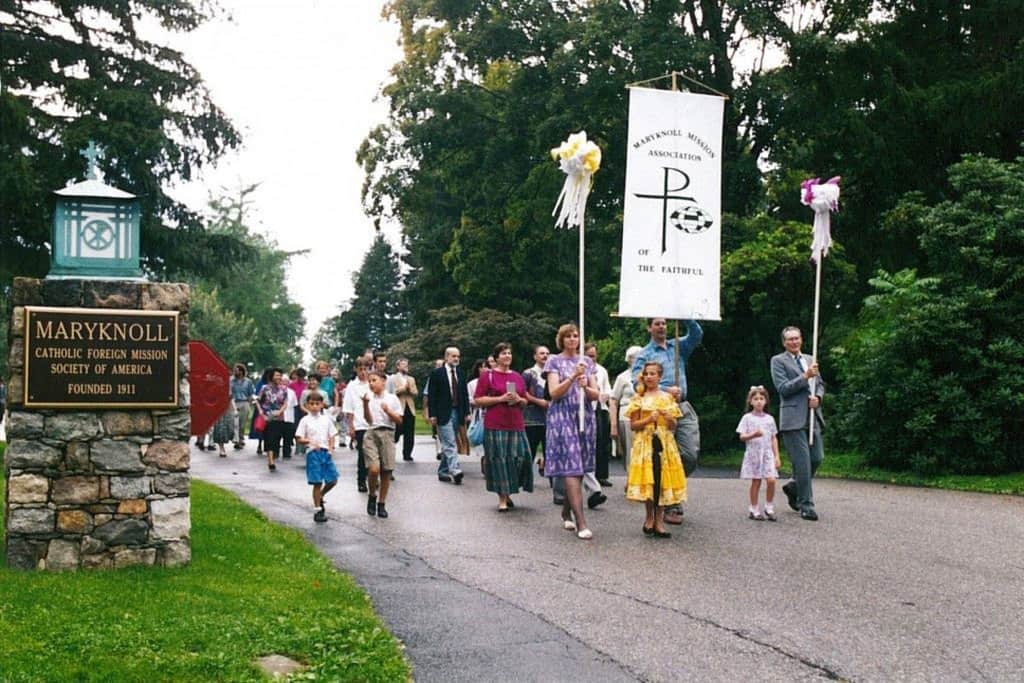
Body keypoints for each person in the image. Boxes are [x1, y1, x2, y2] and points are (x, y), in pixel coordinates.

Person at [632, 318, 703, 525]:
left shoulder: (678, 346)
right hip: (658, 410)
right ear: (649, 327)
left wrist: (684, 316)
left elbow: (697, 335)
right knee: (663, 458)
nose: (661, 326)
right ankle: (670, 502)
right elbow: (637, 383)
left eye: (664, 323)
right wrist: (664, 389)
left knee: (690, 454)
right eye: (656, 323)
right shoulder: (644, 355)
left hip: (682, 407)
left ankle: (671, 488)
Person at [544, 323, 600, 540]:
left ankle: (566, 510)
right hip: (562, 418)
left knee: (578, 468)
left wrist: (585, 385)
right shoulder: (554, 361)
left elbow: (596, 395)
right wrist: (571, 378)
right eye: (568, 336)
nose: (572, 339)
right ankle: (581, 522)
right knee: (571, 468)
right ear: (562, 340)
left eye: (575, 336)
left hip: (583, 418)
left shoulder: (587, 362)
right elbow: (554, 393)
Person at [770, 326, 826, 521]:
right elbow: (783, 388)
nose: (794, 342)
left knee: (816, 458)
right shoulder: (778, 361)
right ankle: (806, 505)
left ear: (801, 339)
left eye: (796, 338)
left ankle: (794, 485)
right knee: (802, 463)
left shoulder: (811, 359)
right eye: (789, 339)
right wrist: (804, 377)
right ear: (784, 343)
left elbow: (820, 384)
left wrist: (818, 397)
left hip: (812, 416)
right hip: (793, 418)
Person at [626, 362, 686, 538]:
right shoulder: (639, 398)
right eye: (647, 374)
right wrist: (647, 420)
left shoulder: (667, 398)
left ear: (660, 377)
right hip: (645, 441)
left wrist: (669, 419)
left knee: (662, 479)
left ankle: (660, 520)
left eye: (653, 374)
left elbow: (674, 424)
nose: (649, 377)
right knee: (650, 479)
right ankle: (649, 517)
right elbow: (633, 425)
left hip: (664, 441)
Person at [474, 342, 534, 512]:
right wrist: (500, 399)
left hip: (516, 423)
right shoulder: (488, 376)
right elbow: (478, 399)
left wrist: (519, 400)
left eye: (509, 353)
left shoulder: (517, 376)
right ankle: (502, 497)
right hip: (495, 423)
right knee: (499, 460)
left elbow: (525, 400)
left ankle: (509, 491)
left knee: (521, 457)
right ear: (496, 357)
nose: (507, 356)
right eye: (503, 353)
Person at [362, 370, 403, 518]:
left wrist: (389, 411)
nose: (371, 384)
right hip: (372, 433)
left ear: (383, 381)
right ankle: (372, 494)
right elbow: (368, 420)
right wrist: (365, 405)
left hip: (387, 433)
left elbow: (399, 420)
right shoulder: (368, 398)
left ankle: (382, 503)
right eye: (370, 381)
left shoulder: (392, 399)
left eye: (374, 380)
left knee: (386, 470)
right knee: (374, 469)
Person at [426, 347, 470, 485]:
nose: (456, 359)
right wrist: (432, 414)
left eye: (458, 356)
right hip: (443, 412)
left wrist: (467, 412)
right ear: (446, 358)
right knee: (450, 442)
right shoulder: (437, 373)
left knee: (448, 443)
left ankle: (443, 471)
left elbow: (464, 395)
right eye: (453, 356)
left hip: (458, 411)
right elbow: (432, 396)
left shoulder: (461, 374)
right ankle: (455, 469)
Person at [737, 385, 781, 521]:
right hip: (754, 454)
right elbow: (742, 436)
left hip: (767, 454)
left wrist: (777, 456)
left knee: (771, 480)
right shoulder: (747, 418)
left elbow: (774, 437)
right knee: (756, 481)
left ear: (766, 401)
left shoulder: (770, 419)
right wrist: (753, 435)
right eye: (755, 399)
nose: (759, 401)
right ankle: (754, 508)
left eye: (761, 398)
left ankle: (769, 507)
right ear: (750, 402)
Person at [294, 392, 339, 523]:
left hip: (325, 453)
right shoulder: (305, 420)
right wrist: (309, 442)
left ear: (322, 405)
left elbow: (332, 435)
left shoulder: (326, 419)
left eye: (317, 404)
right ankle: (318, 509)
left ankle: (321, 496)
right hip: (313, 453)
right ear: (307, 405)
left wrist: (331, 448)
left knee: (333, 480)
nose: (314, 406)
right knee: (317, 482)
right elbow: (299, 437)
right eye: (311, 404)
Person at [610, 346, 643, 473]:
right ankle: (631, 480)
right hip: (627, 417)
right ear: (628, 359)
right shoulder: (622, 377)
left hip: (646, 415)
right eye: (634, 357)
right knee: (630, 450)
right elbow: (613, 400)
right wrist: (613, 425)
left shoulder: (649, 375)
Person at [584, 343, 614, 487]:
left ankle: (602, 475)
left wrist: (605, 395)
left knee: (602, 442)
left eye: (594, 356)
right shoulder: (581, 369)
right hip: (588, 407)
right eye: (589, 356)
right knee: (591, 441)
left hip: (601, 408)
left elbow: (608, 388)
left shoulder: (602, 370)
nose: (592, 358)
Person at [522, 345, 550, 482]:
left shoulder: (553, 373)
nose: (545, 356)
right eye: (542, 353)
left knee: (550, 451)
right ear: (535, 356)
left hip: (550, 419)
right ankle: (525, 479)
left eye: (547, 353)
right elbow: (523, 392)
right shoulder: (528, 373)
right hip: (532, 419)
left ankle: (554, 483)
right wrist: (538, 401)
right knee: (530, 451)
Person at [343, 359, 372, 492]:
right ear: (356, 369)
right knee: (362, 453)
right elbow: (349, 407)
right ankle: (361, 480)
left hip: (373, 422)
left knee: (374, 454)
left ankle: (372, 477)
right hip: (359, 423)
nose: (363, 371)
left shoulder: (372, 383)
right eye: (360, 368)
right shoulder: (352, 386)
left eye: (365, 368)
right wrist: (351, 426)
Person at [255, 368, 288, 471]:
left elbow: (285, 402)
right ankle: (270, 461)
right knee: (269, 438)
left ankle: (273, 455)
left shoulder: (284, 389)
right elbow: (257, 400)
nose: (279, 377)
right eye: (276, 375)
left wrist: (280, 411)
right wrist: (260, 412)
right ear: (271, 376)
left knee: (276, 438)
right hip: (267, 417)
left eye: (280, 375)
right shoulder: (265, 388)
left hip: (279, 417)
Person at [387, 357, 419, 461]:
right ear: (398, 366)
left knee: (409, 433)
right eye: (403, 365)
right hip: (398, 407)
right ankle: (389, 450)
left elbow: (415, 392)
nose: (406, 367)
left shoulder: (411, 379)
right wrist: (402, 389)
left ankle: (407, 454)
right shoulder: (392, 378)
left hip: (409, 408)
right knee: (397, 431)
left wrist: (410, 389)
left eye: (407, 365)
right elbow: (391, 392)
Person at [466, 359, 488, 460]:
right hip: (478, 413)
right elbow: (469, 399)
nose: (484, 369)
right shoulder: (472, 383)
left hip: (491, 413)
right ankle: (484, 457)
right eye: (482, 367)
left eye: (486, 366)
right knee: (480, 435)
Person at [229, 364, 254, 450]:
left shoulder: (248, 381)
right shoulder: (231, 380)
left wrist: (249, 404)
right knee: (234, 423)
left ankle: (240, 440)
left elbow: (251, 394)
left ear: (241, 371)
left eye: (236, 370)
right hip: (234, 403)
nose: (235, 372)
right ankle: (236, 439)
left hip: (244, 402)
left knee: (242, 424)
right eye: (234, 370)